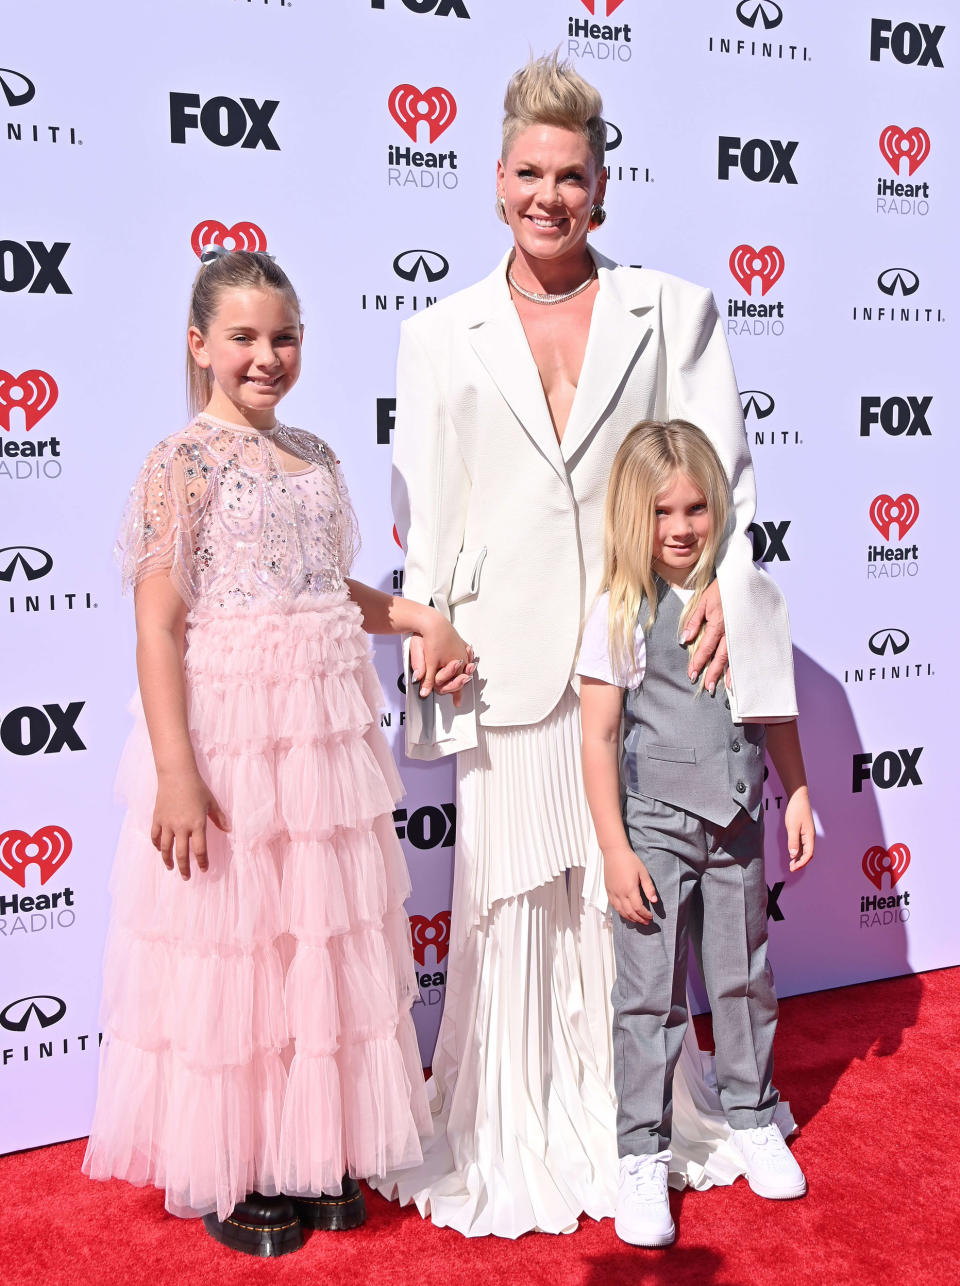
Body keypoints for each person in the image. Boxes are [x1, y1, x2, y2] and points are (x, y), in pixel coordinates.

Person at [373, 54, 797, 1238]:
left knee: (642, 906)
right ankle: (519, 1124)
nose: (550, 194)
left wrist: (723, 580)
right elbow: (431, 500)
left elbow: (727, 478)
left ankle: (641, 1132)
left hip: (642, 662)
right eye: (529, 172)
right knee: (514, 908)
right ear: (495, 179)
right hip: (499, 660)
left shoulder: (673, 309)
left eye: (572, 174)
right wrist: (429, 619)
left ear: (601, 187)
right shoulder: (439, 331)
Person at [82, 248, 474, 1257]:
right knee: (239, 941)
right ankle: (238, 1160)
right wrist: (177, 767)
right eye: (245, 337)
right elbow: (158, 623)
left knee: (317, 939)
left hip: (321, 734)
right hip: (234, 734)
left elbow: (323, 588)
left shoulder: (315, 452)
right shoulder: (183, 461)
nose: (267, 355)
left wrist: (418, 615)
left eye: (284, 335)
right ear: (199, 343)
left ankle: (313, 1145)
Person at [578, 419, 814, 1247]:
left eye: (697, 510)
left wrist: (797, 791)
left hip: (740, 821)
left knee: (743, 976)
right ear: (633, 520)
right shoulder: (617, 610)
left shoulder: (746, 598)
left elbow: (771, 702)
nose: (681, 529)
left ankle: (752, 1116)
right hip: (653, 830)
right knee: (647, 995)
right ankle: (641, 1153)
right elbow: (600, 736)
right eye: (663, 513)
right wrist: (614, 847)